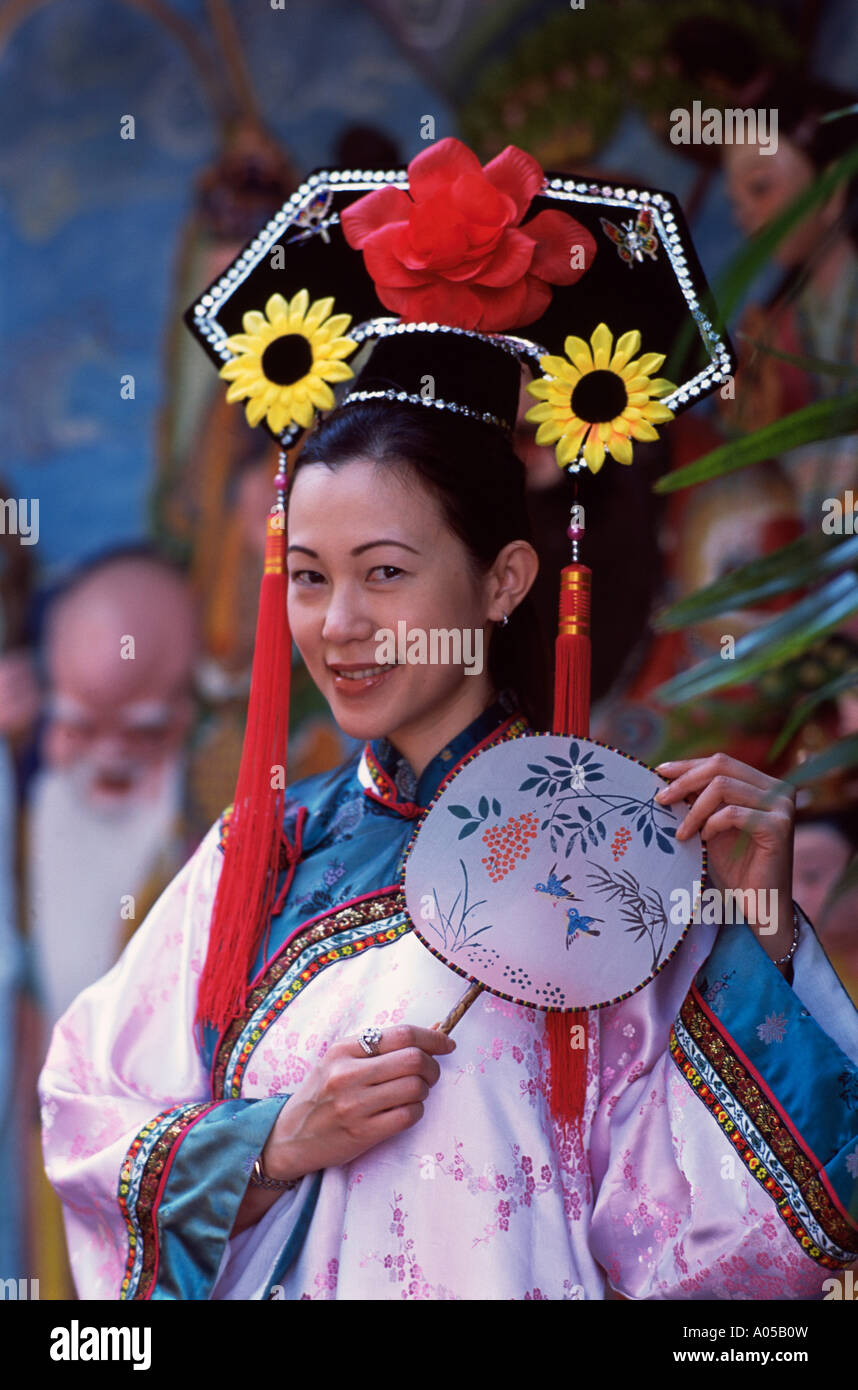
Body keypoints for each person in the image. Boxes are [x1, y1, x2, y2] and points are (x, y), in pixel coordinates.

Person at [39, 138, 858, 1300]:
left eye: (384, 573)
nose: (336, 625)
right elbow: (84, 1116)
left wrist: (762, 931)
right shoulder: (256, 860)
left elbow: (732, 1241)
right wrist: (272, 1140)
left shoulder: (630, 861)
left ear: (505, 580)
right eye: (310, 576)